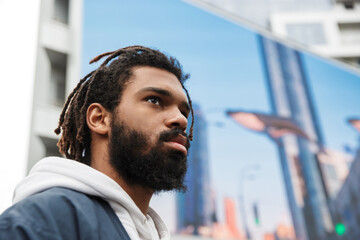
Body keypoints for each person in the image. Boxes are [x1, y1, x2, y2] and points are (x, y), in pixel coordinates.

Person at [0, 45, 194, 240]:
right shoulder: (43, 221)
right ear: (100, 119)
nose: (181, 120)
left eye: (184, 112)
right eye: (154, 100)